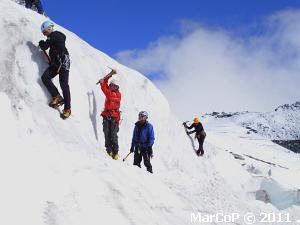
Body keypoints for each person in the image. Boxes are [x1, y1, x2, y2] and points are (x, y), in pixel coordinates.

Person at [39, 21, 71, 119]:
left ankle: (67, 109)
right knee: (45, 77)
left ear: (49, 29)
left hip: (63, 62)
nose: (44, 34)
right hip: (57, 63)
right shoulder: (54, 37)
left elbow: (45, 46)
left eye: (44, 32)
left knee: (64, 85)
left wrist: (41, 43)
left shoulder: (54, 35)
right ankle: (57, 96)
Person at [99, 70, 121, 160]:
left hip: (115, 117)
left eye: (114, 86)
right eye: (111, 85)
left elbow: (105, 89)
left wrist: (102, 83)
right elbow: (105, 85)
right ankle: (109, 149)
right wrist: (108, 77)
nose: (112, 87)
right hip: (107, 115)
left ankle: (115, 152)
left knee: (113, 135)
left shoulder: (117, 94)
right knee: (106, 133)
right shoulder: (109, 92)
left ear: (117, 87)